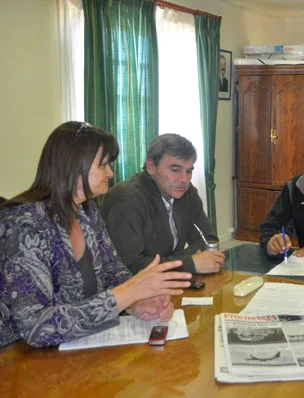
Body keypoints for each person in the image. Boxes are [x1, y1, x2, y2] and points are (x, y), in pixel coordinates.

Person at [0, 122, 192, 348]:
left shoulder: (86, 213)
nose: (110, 172)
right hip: (18, 357)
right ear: (73, 166)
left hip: (76, 349)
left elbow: (113, 272)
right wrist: (128, 293)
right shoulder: (24, 224)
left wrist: (138, 302)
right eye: (103, 165)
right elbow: (36, 327)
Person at [101, 133, 224, 275]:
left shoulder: (187, 193)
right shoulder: (126, 199)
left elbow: (208, 241)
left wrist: (178, 262)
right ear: (151, 166)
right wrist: (190, 262)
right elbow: (130, 267)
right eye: (175, 169)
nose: (184, 179)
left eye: (189, 171)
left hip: (168, 283)